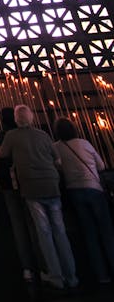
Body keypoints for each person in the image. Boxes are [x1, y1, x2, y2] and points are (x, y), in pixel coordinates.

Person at [0, 104, 78, 290]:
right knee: (59, 231)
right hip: (51, 185)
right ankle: (70, 275)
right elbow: (57, 160)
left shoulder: (11, 137)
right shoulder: (43, 135)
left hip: (31, 187)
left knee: (43, 231)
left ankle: (52, 274)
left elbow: (1, 154)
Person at [54, 116, 114, 286]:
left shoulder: (56, 147)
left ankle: (101, 275)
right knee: (107, 231)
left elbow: (57, 167)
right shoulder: (85, 144)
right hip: (94, 189)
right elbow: (101, 166)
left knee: (90, 234)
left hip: (74, 191)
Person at [0, 106, 40, 284]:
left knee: (19, 225)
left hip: (9, 185)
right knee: (34, 223)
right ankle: (42, 265)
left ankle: (28, 268)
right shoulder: (33, 135)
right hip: (29, 182)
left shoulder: (1, 137)